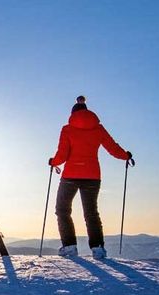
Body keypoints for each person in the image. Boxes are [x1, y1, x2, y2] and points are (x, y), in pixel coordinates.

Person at [49, 96, 132, 259]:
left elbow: (62, 154)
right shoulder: (98, 128)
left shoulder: (67, 129)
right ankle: (98, 249)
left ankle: (69, 246)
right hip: (92, 175)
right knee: (91, 212)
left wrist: (53, 162)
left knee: (62, 209)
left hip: (70, 175)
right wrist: (126, 156)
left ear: (72, 114)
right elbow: (112, 147)